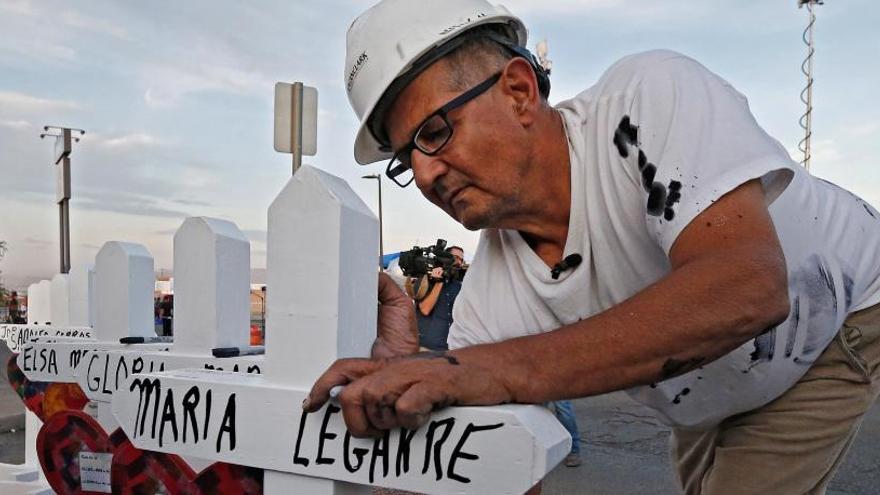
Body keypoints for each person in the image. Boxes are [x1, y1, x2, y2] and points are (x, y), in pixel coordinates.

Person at [305, 1, 880, 493]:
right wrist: (413, 379)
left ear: (519, 91)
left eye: (433, 133)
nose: (426, 174)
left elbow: (745, 288)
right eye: (407, 159)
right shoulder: (490, 298)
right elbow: (482, 441)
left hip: (834, 317)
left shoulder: (648, 98)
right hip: (714, 389)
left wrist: (496, 372)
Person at [414, 245, 465, 351]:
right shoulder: (426, 280)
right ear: (445, 258)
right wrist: (439, 282)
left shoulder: (457, 286)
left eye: (461, 259)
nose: (459, 262)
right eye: (455, 257)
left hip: (448, 348)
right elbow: (425, 309)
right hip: (426, 348)